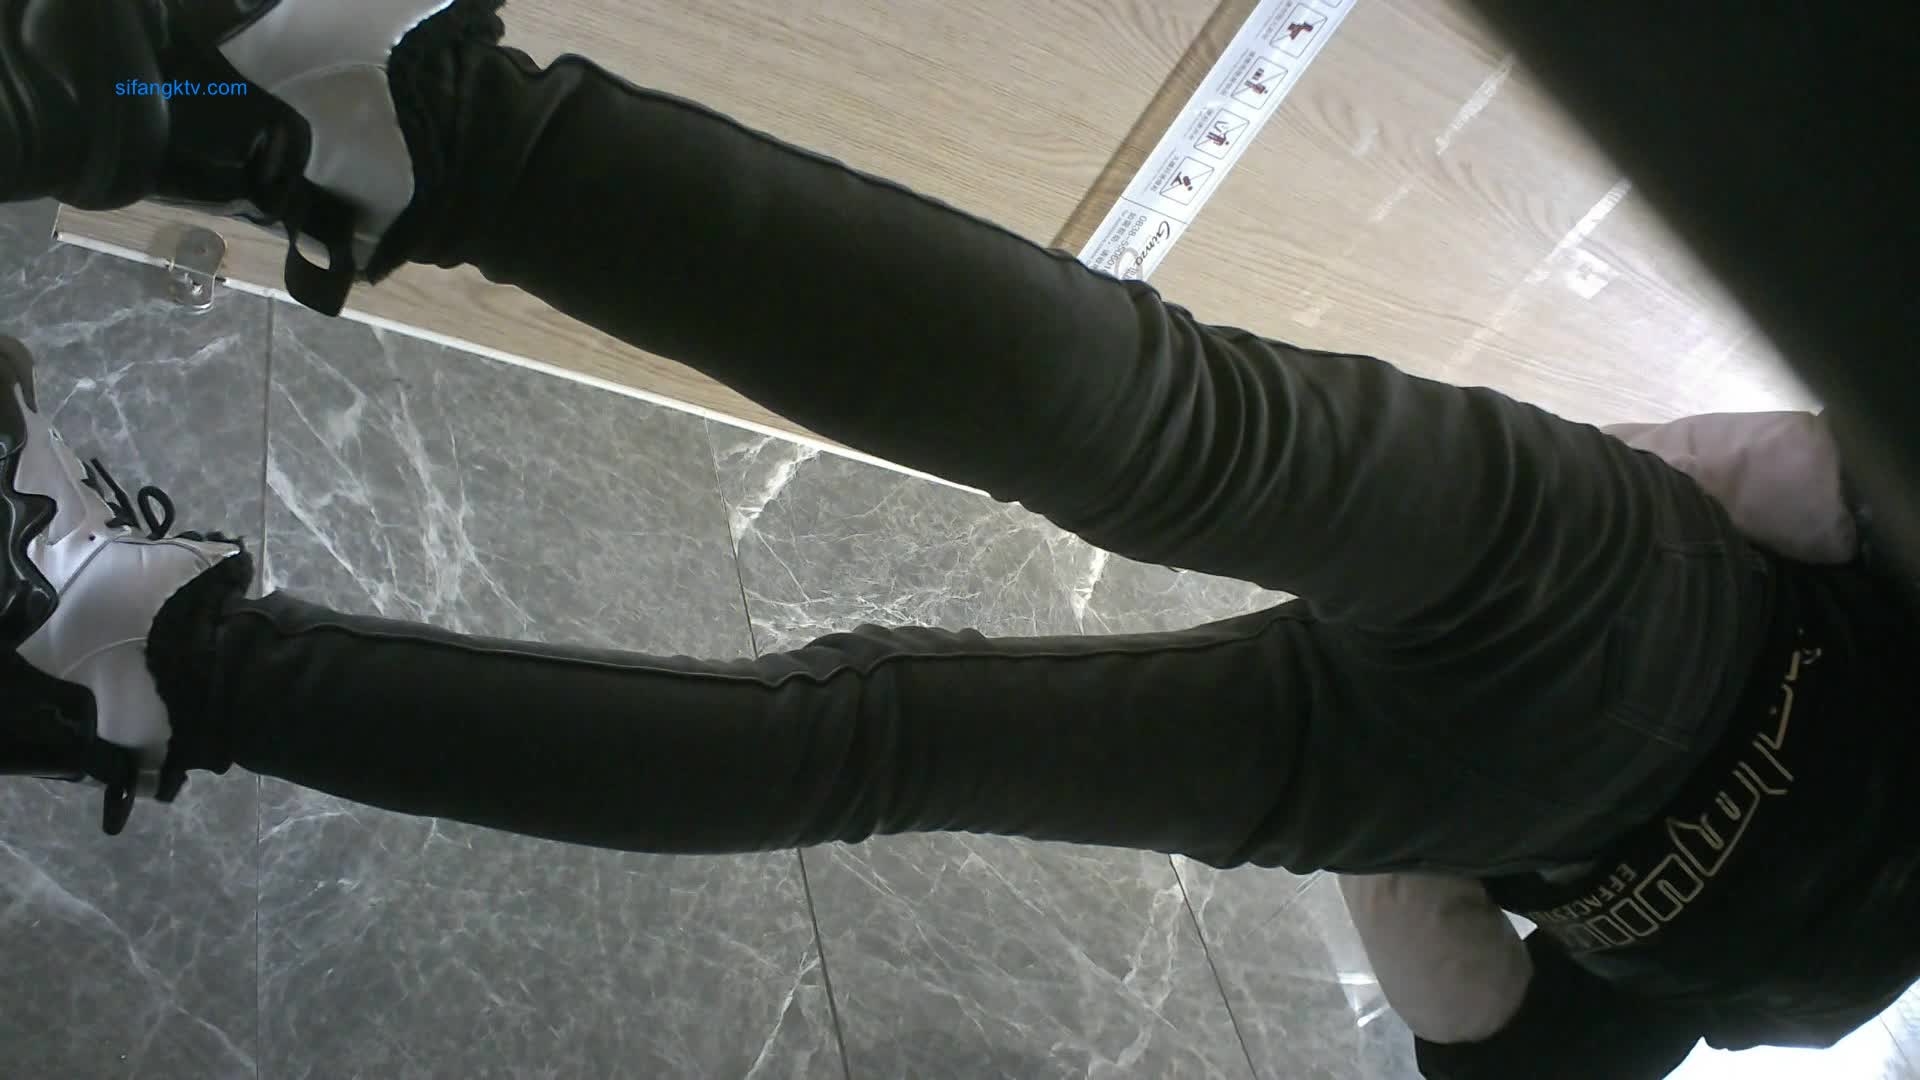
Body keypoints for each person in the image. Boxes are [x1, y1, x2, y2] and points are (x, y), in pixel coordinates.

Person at [1, 2, 1914, 1075]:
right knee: (864, 751)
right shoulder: (1818, 1000)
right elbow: (1477, 1023)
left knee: (1162, 417)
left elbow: (1828, 483)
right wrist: (1417, 818)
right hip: (1504, 816)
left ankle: (286, 105)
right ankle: (133, 664)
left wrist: (1604, 513)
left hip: (1660, 608)